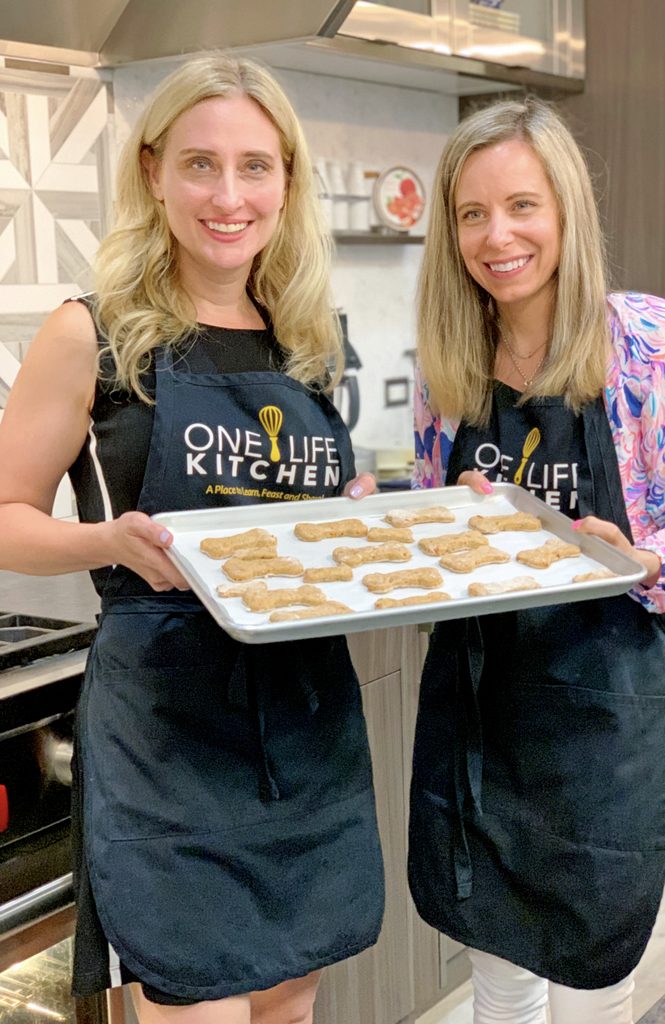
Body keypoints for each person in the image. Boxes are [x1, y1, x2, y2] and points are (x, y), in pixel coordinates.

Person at [0, 54, 385, 1024]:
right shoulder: (94, 333)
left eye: (255, 165)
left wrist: (362, 520)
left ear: (287, 181)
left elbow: (307, 528)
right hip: (168, 736)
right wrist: (108, 543)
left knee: (289, 1011)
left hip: (302, 727)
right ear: (152, 171)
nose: (228, 192)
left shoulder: (310, 340)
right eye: (201, 163)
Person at [407, 97, 665, 1024]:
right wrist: (422, 528)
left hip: (604, 721)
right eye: (472, 213)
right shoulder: (447, 365)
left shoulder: (645, 341)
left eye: (521, 206)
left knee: (596, 988)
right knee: (500, 989)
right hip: (479, 709)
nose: (496, 235)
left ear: (566, 212)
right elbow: (440, 557)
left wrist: (636, 558)